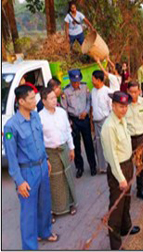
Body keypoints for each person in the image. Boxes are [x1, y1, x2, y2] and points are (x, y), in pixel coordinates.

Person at [3, 85, 58, 250]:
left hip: (41, 167)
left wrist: (46, 159)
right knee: (29, 213)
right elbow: (12, 158)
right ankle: (29, 246)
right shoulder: (11, 127)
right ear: (21, 101)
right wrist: (19, 181)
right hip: (27, 172)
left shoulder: (35, 116)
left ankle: (45, 232)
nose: (36, 101)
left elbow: (40, 140)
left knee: (44, 204)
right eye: (32, 98)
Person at [101, 91, 140, 250]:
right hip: (119, 170)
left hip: (127, 164)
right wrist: (120, 178)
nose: (124, 109)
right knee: (116, 207)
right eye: (120, 106)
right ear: (113, 106)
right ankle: (115, 244)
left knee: (127, 200)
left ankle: (126, 227)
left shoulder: (121, 120)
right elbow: (111, 156)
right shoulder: (109, 127)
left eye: (125, 106)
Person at [39, 88, 77, 223]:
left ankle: (71, 204)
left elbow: (68, 130)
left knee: (67, 176)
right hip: (50, 153)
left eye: (55, 98)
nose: (55, 100)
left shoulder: (61, 112)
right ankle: (53, 210)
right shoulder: (39, 117)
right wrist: (45, 158)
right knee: (54, 181)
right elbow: (39, 140)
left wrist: (71, 148)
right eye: (51, 98)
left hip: (64, 149)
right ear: (44, 101)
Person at [61, 69, 97, 178]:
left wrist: (86, 111)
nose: (76, 84)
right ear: (71, 81)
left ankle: (92, 166)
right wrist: (69, 123)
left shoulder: (85, 88)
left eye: (78, 81)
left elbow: (88, 101)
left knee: (88, 143)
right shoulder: (66, 92)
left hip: (84, 119)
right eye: (74, 82)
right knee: (76, 145)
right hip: (74, 121)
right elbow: (64, 108)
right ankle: (79, 167)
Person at [125, 81, 143, 201]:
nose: (133, 94)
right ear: (127, 92)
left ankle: (140, 190)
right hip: (128, 140)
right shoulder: (125, 106)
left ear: (139, 91)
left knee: (140, 165)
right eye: (130, 92)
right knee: (128, 166)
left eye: (135, 92)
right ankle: (127, 191)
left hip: (141, 138)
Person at [91, 70, 113, 173]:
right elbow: (92, 107)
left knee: (107, 144)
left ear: (99, 80)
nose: (92, 81)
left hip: (105, 121)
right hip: (96, 122)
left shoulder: (108, 92)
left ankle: (111, 165)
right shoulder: (92, 91)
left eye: (93, 79)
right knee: (98, 144)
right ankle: (102, 167)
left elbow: (111, 109)